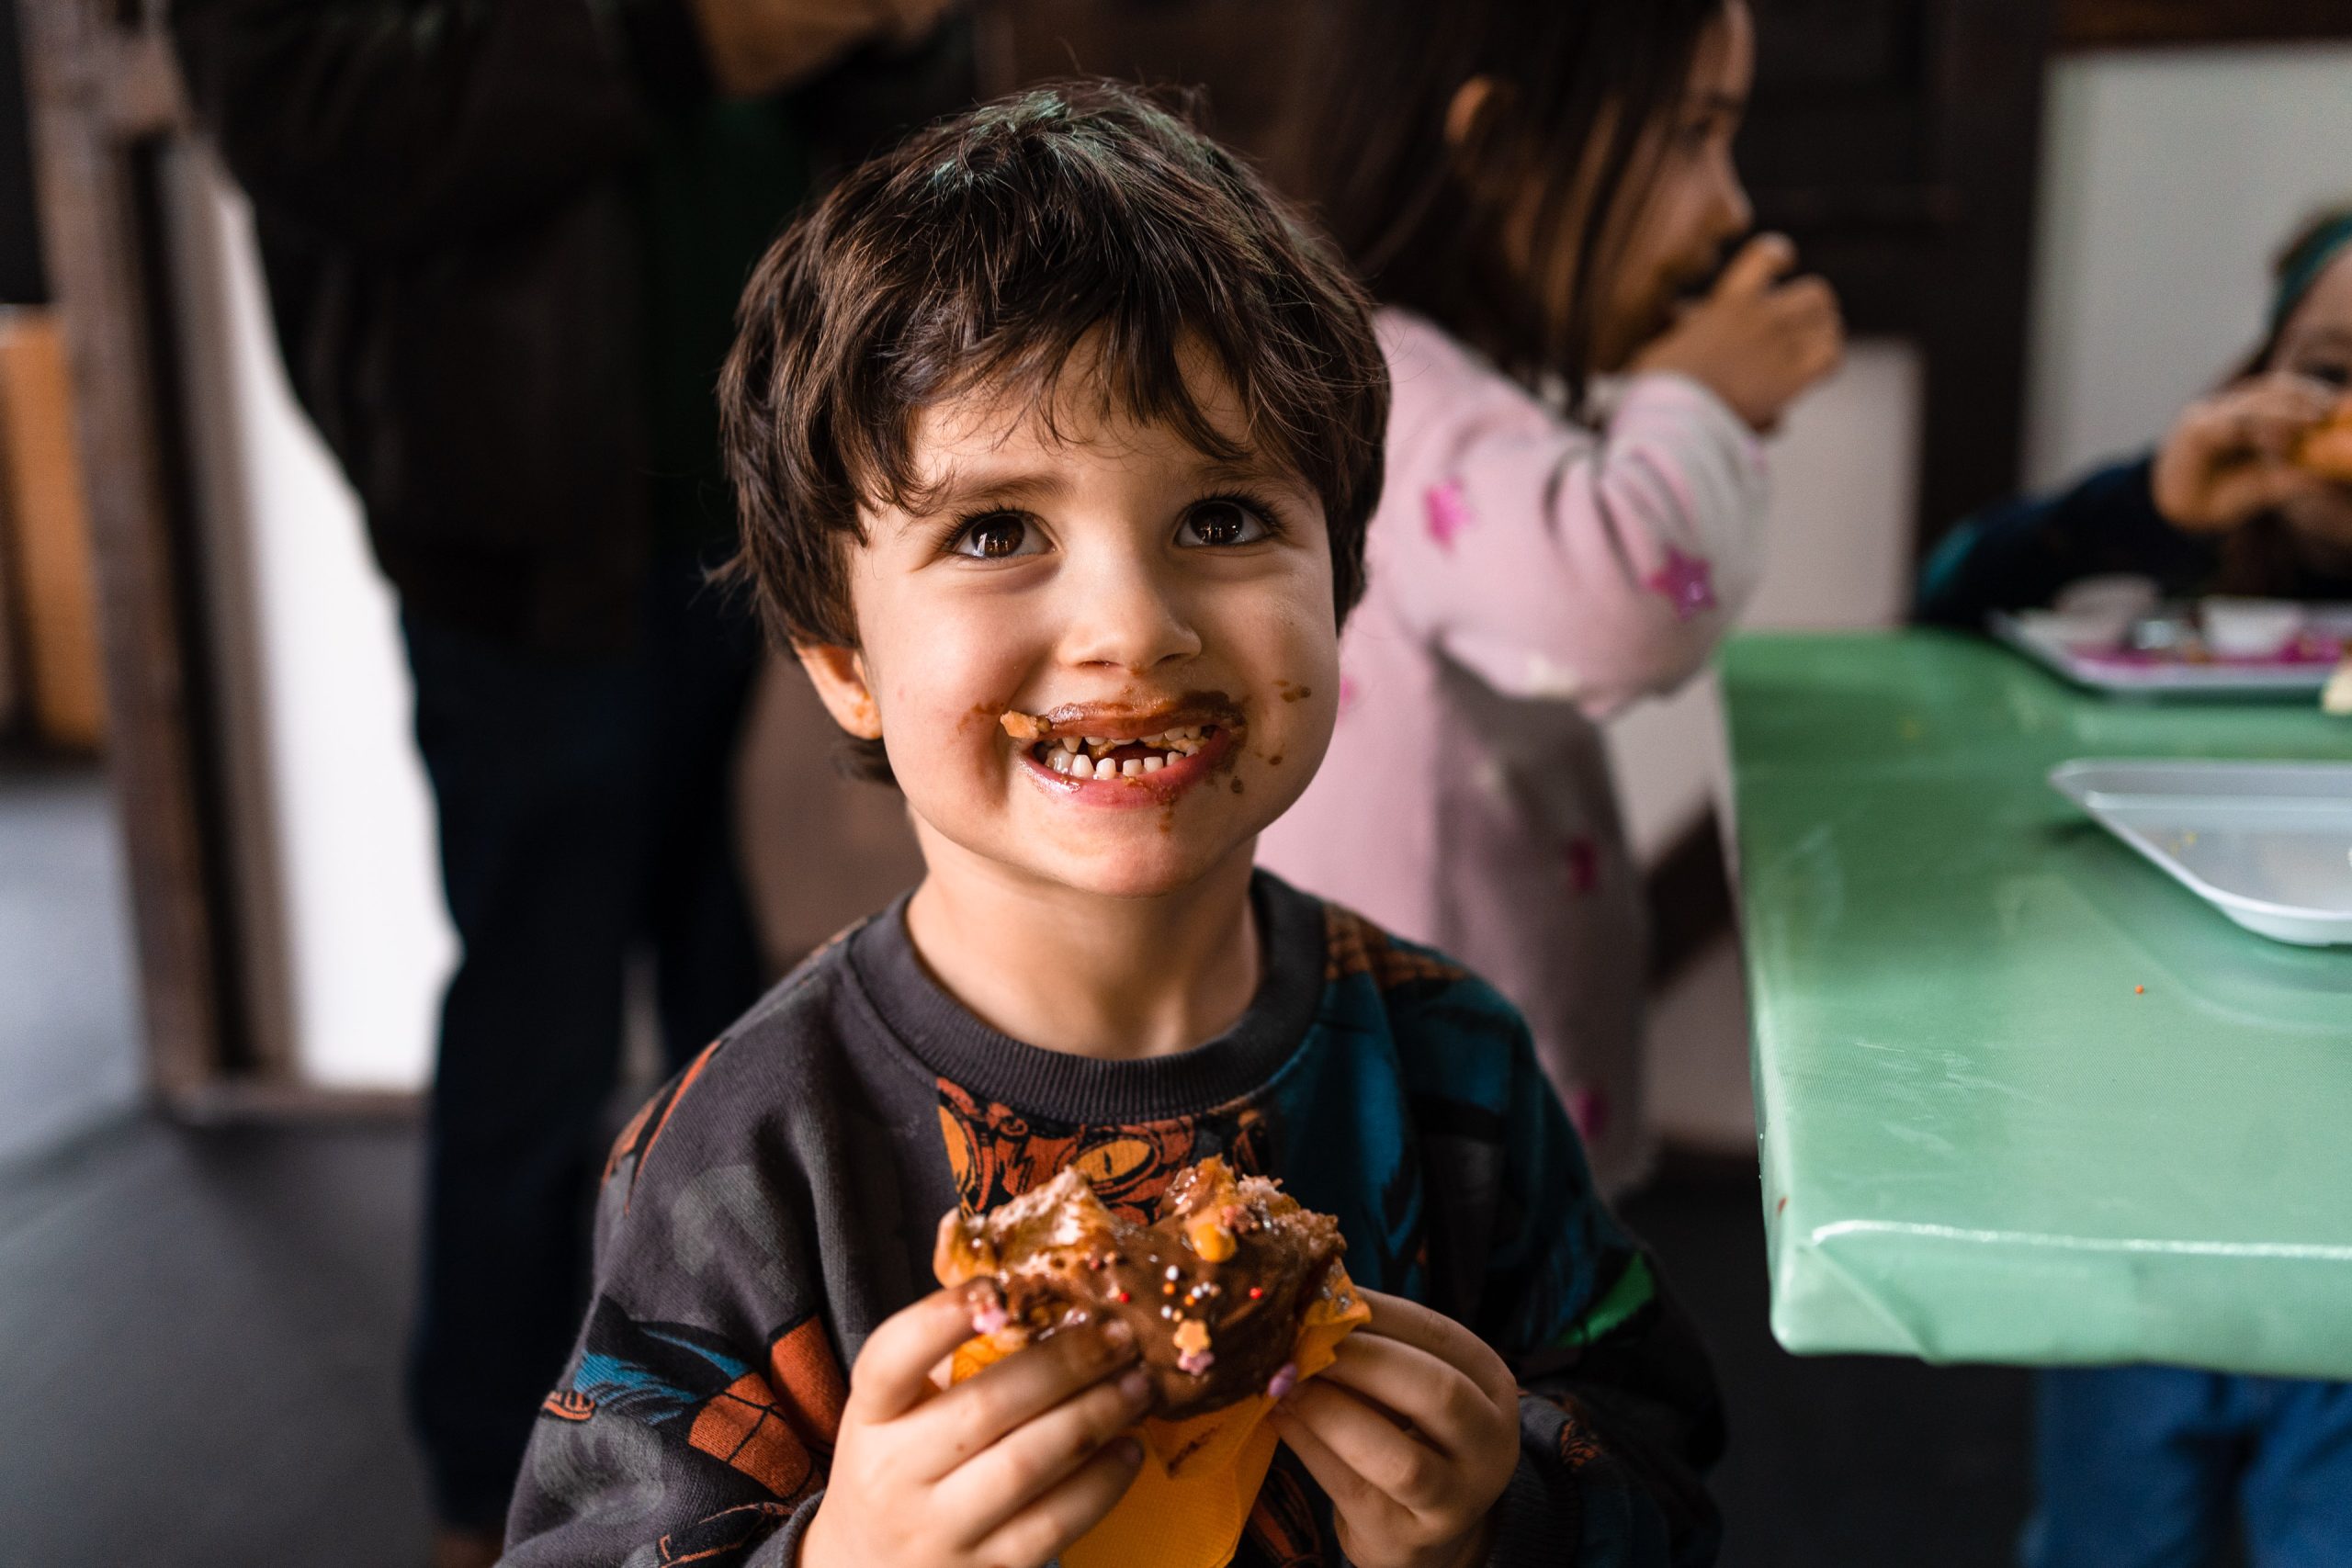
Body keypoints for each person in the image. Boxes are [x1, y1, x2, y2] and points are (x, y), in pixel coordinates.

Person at [500, 83, 1724, 1567]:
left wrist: (1500, 1513)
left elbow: (1664, 1462)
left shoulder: (1456, 1066)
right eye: (998, 530)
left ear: (1341, 587)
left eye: (1220, 519)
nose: (1131, 631)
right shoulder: (741, 1156)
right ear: (841, 658)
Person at [167, 4, 967, 1562]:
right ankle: (489, 1493)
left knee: (784, 1032)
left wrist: (888, 42)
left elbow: (906, 134)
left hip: (784, 495)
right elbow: (303, 119)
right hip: (526, 528)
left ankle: (790, 1465)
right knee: (542, 1027)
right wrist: (668, 43)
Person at [1259, 0, 1844, 1189]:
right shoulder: (1391, 388)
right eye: (1691, 134)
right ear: (1504, 148)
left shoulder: (1430, 380)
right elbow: (1620, 597)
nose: (1730, 207)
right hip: (1423, 1154)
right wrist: (1697, 399)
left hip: (1458, 1114)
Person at [1913, 209, 2352, 1568]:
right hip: (2140, 1161)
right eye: (2331, 368)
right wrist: (2155, 503)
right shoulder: (2188, 563)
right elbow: (1952, 595)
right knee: (2111, 1528)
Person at [1919, 206, 2352, 626]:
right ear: (2261, 374)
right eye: (2330, 372)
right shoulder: (2208, 516)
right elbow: (1945, 587)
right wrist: (2153, 508)